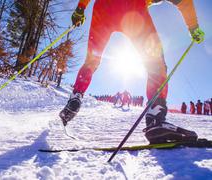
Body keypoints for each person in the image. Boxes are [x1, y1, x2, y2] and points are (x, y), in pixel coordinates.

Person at [59, 0, 204, 144]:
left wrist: (80, 8)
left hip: (103, 8)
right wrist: (193, 27)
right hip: (133, 9)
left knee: (92, 59)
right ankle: (155, 116)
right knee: (155, 62)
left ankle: (76, 95)